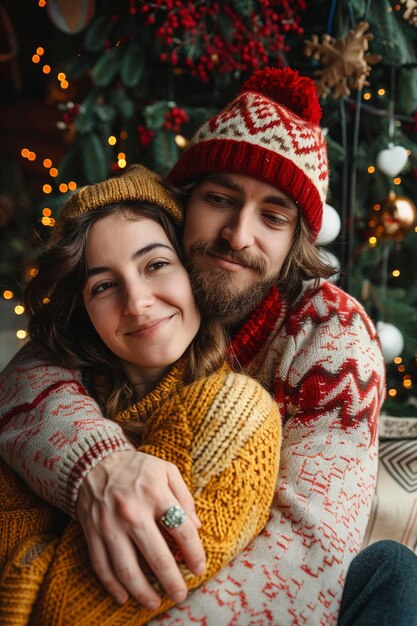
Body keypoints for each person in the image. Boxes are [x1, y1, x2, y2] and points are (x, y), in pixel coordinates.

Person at [0, 66, 386, 624]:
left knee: (390, 570)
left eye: (272, 217)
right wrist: (96, 464)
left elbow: (309, 553)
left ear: (297, 240)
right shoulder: (154, 294)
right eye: (220, 198)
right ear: (183, 207)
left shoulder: (331, 335)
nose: (238, 234)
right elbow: (25, 379)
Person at [0, 164, 281, 624]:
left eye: (156, 264)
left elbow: (64, 611)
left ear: (193, 271)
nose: (137, 303)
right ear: (84, 310)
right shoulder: (38, 407)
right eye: (105, 285)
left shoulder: (235, 410)